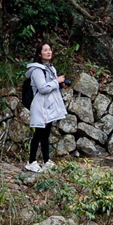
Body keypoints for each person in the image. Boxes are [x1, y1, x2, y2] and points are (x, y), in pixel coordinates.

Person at [25, 42, 68, 172]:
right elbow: (43, 88)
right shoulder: (37, 71)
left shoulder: (51, 68)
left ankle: (46, 160)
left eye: (50, 50)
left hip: (49, 105)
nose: (49, 52)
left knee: (46, 134)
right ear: (39, 54)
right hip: (39, 106)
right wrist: (56, 81)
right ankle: (31, 161)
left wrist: (59, 84)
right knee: (39, 134)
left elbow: (50, 85)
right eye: (45, 50)